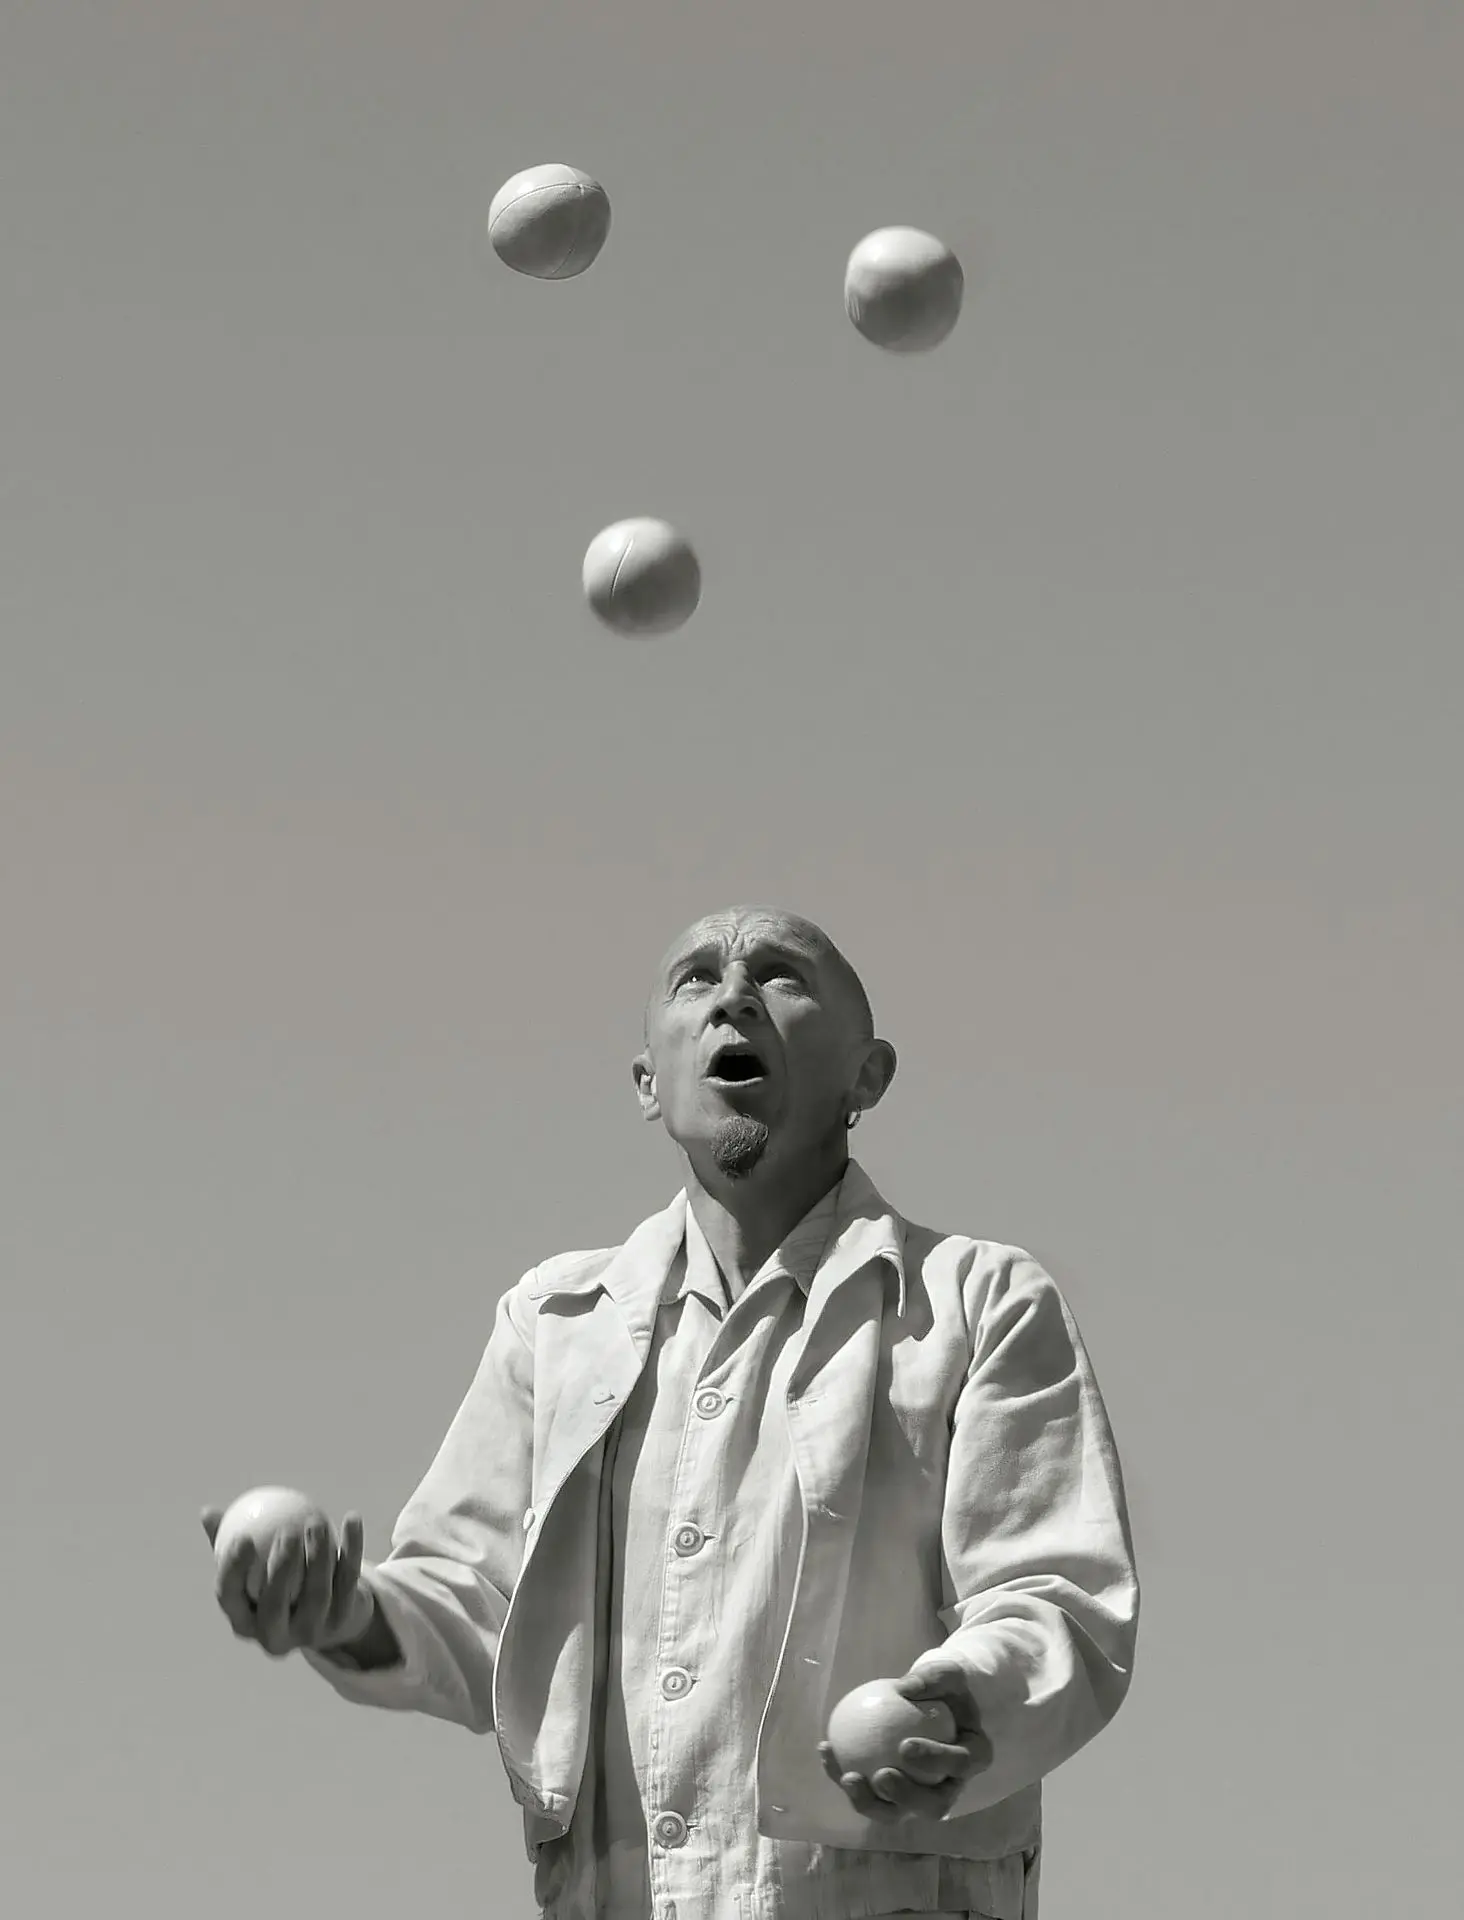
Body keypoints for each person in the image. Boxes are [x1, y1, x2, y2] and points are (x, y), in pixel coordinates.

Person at [204, 904, 1140, 1920]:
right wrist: (342, 1613)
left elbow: (1057, 1599)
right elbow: (473, 1607)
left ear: (868, 1076)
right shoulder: (554, 1325)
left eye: (781, 976)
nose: (734, 996)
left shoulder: (979, 1301)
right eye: (696, 979)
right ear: (649, 1083)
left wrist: (954, 1705)